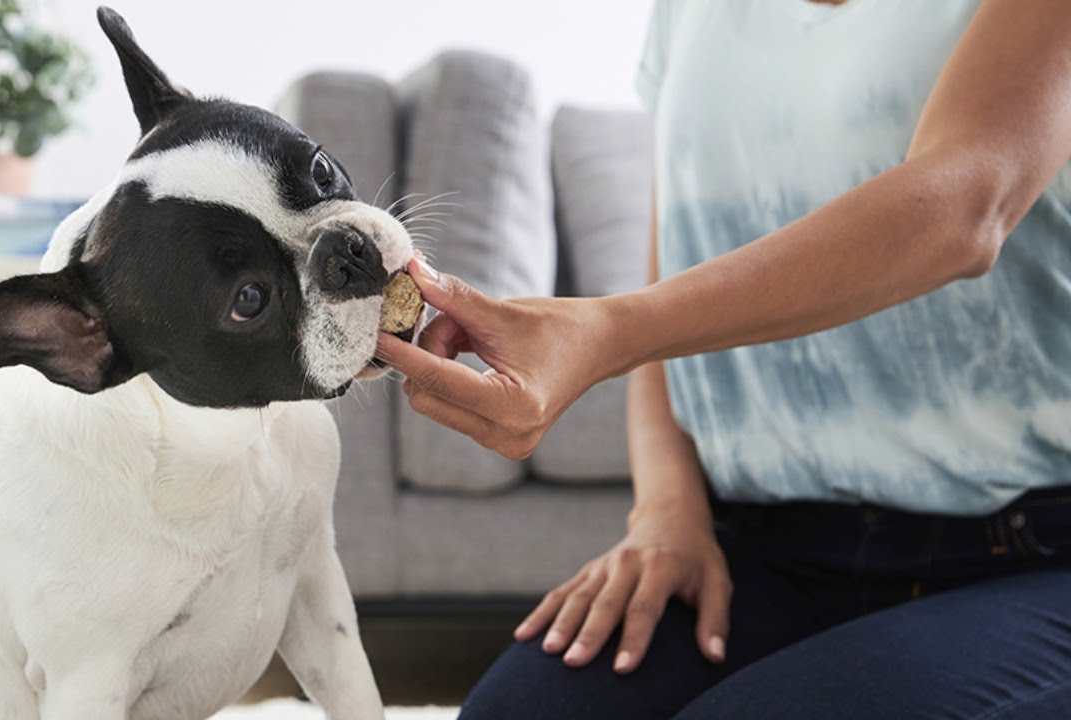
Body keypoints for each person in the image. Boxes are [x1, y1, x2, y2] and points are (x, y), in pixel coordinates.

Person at [375, 0, 1071, 717]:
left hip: (1034, 552)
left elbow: (966, 208)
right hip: (768, 546)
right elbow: (670, 274)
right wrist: (668, 513)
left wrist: (605, 331)